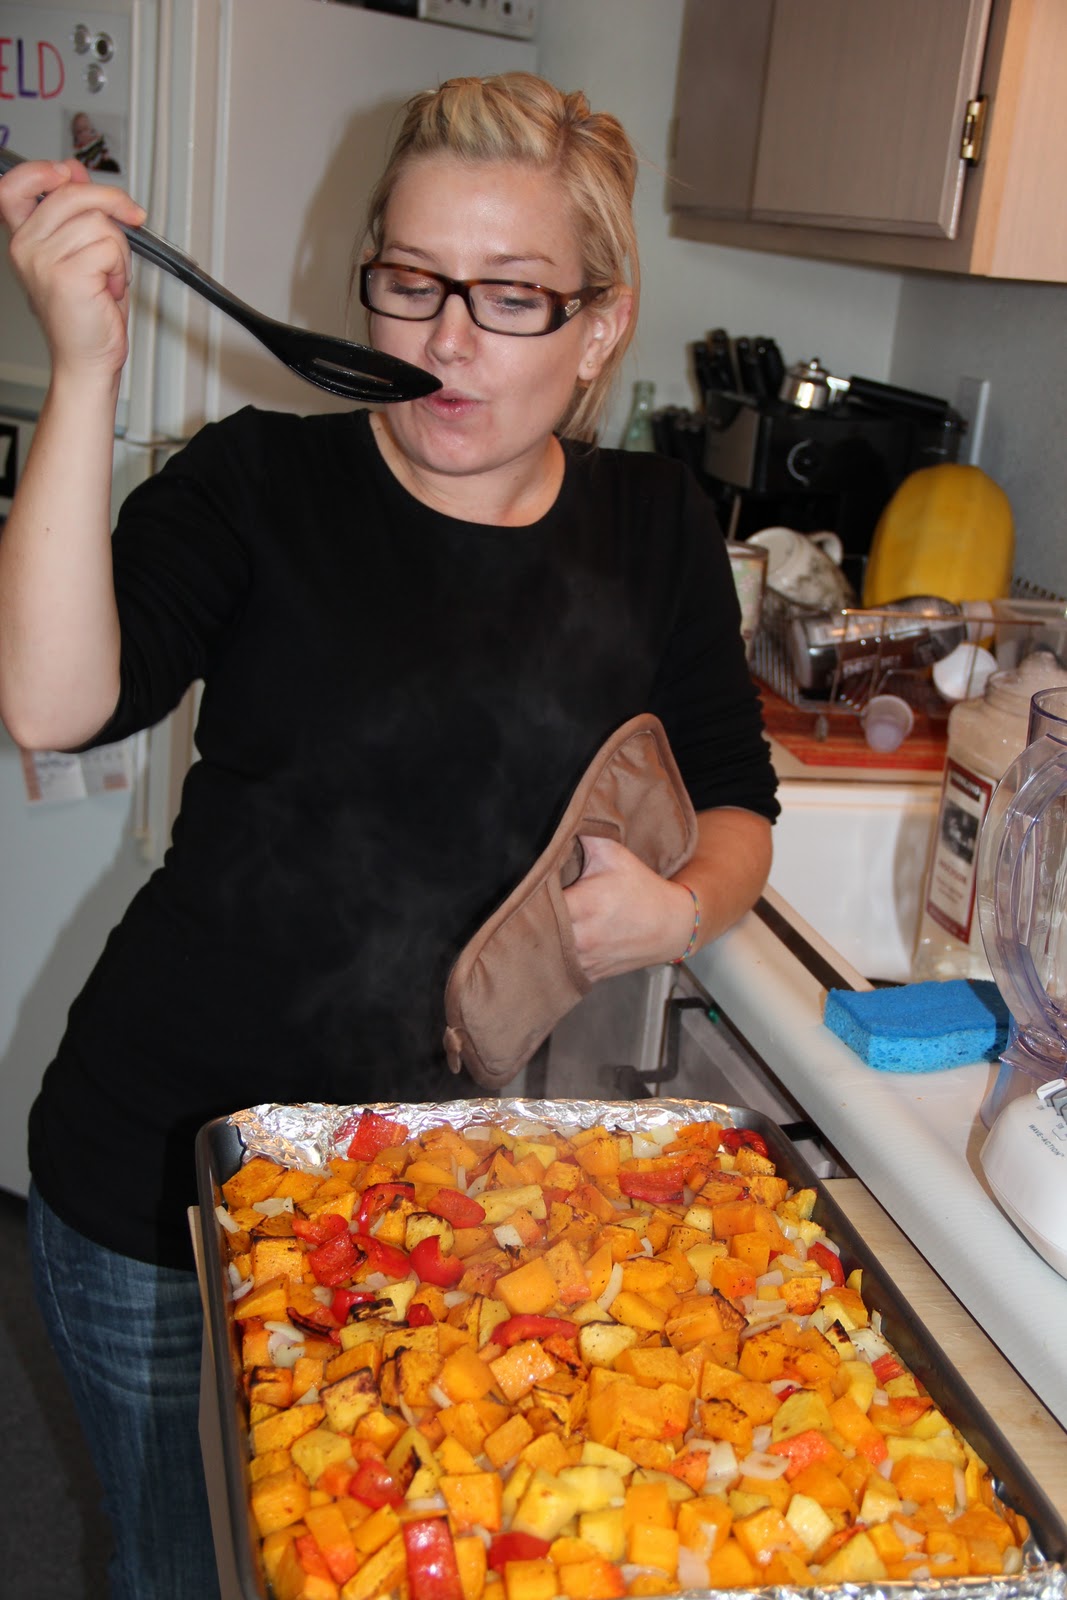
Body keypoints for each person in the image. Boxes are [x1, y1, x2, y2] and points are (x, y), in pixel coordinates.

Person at [0, 72, 778, 1600]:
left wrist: (683, 911)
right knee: (182, 1571)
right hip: (162, 1185)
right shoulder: (256, 482)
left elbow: (739, 799)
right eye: (412, 281)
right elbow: (49, 702)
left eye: (511, 295)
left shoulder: (657, 526)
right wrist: (82, 372)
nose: (444, 339)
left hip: (445, 1209)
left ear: (601, 327)